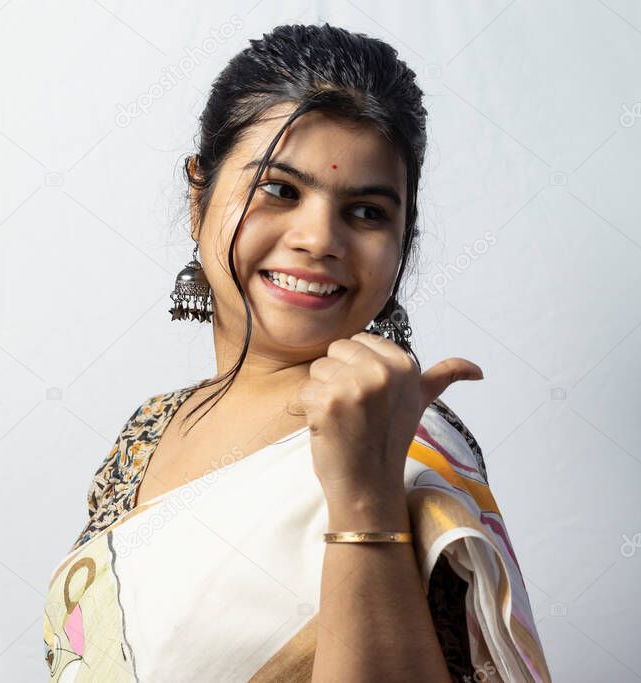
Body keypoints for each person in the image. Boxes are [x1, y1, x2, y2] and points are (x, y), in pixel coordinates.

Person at [42, 22, 552, 682]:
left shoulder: (404, 445)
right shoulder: (146, 432)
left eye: (366, 211)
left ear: (403, 241)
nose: (320, 238)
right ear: (198, 198)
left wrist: (364, 495)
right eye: (280, 190)